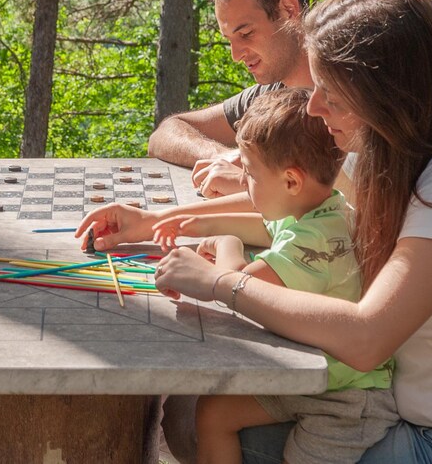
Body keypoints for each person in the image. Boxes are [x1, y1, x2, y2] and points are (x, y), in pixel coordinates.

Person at [151, 0, 432, 463]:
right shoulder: (402, 151)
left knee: (204, 424)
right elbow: (297, 217)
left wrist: (223, 283)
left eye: (333, 93)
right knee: (195, 409)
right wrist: (167, 222)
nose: (314, 106)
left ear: (388, 93)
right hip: (421, 421)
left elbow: (367, 338)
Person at [150, 87, 396, 464]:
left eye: (249, 173)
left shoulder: (313, 238)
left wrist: (226, 243)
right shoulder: (326, 209)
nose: (243, 183)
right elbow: (265, 229)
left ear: (292, 182)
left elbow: (239, 284)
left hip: (346, 399)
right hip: (318, 376)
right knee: (214, 413)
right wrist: (188, 225)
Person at [148, 0, 312, 198]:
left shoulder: (358, 91)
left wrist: (250, 180)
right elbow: (166, 133)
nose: (236, 55)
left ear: (289, 10)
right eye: (229, 40)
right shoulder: (267, 95)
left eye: (246, 34)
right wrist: (222, 155)